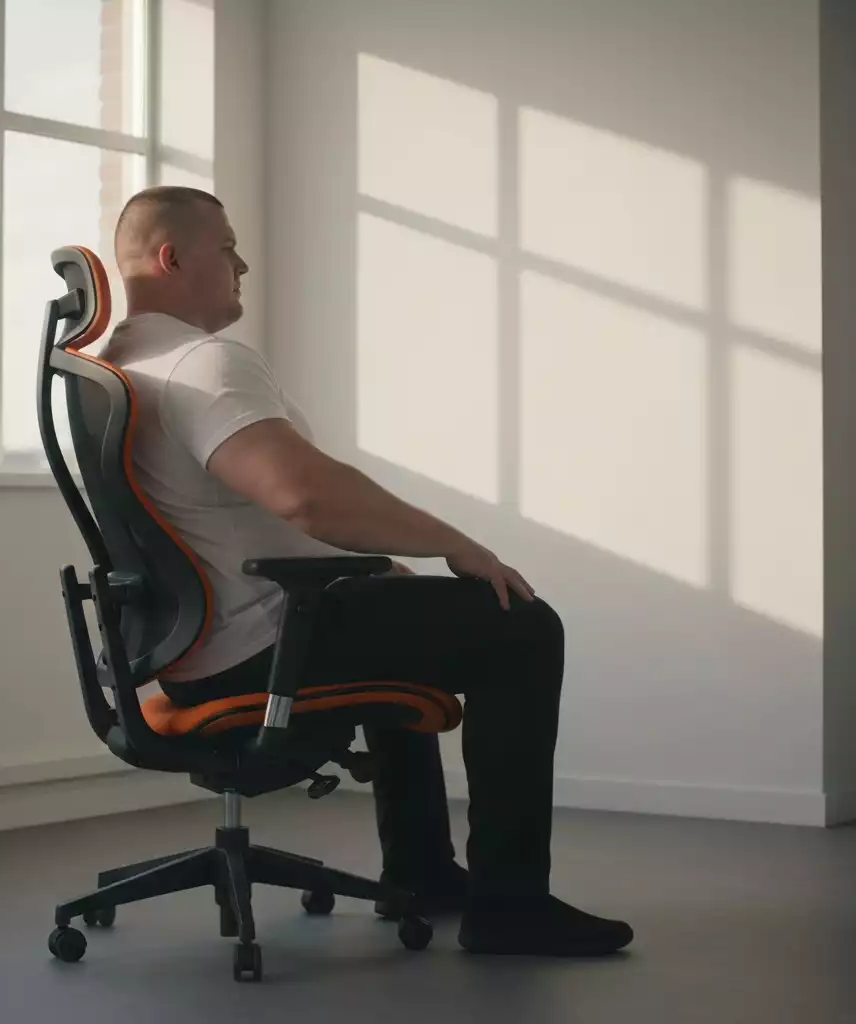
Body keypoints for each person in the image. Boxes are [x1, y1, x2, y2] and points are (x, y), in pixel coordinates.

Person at [99, 185, 634, 957]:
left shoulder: (121, 365)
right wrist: (456, 544)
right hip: (258, 650)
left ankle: (418, 871)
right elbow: (303, 494)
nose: (242, 262)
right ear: (172, 258)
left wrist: (380, 565)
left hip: (189, 653)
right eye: (227, 246)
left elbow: (247, 514)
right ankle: (510, 905)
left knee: (378, 600)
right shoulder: (201, 364)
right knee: (519, 623)